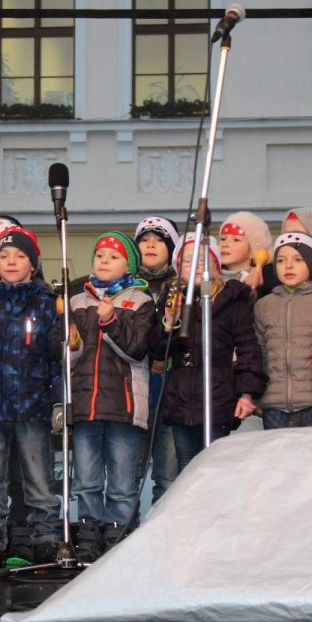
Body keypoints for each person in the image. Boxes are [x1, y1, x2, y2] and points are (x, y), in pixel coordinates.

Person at [0, 227, 62, 568]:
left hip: (33, 404)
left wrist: (58, 401)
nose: (10, 261)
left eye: (20, 256)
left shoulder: (48, 303)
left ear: (33, 264)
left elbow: (55, 358)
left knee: (38, 477)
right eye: (4, 255)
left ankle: (45, 537)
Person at [67, 231, 154, 561]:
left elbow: (137, 349)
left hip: (124, 407)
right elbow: (68, 358)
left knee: (122, 481)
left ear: (128, 265)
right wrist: (69, 342)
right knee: (86, 479)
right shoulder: (77, 302)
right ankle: (89, 534)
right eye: (100, 255)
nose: (104, 260)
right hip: (85, 405)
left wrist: (111, 320)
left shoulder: (141, 301)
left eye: (114, 256)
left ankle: (119, 537)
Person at [152, 234, 263, 470]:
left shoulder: (230, 300)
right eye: (187, 260)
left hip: (218, 396)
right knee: (187, 466)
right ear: (177, 267)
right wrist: (169, 323)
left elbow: (248, 348)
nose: (195, 265)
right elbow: (158, 352)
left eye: (202, 259)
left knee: (215, 466)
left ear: (215, 264)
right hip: (181, 399)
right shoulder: (172, 299)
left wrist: (246, 393)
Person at [254, 232, 312, 429]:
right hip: (274, 403)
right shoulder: (264, 304)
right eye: (281, 260)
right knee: (277, 449)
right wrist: (258, 394)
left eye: (298, 260)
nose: (288, 266)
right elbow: (260, 352)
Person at [133, 215, 180, 504]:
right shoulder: (124, 286)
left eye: (159, 240)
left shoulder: (181, 288)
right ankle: (125, 527)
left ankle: (166, 527)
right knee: (129, 474)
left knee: (168, 476)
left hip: (171, 392)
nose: (150, 245)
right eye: (144, 240)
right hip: (134, 392)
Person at [218, 211, 272, 294]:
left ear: (253, 251)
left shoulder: (264, 280)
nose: (225, 244)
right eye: (223, 239)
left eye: (236, 240)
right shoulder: (209, 278)